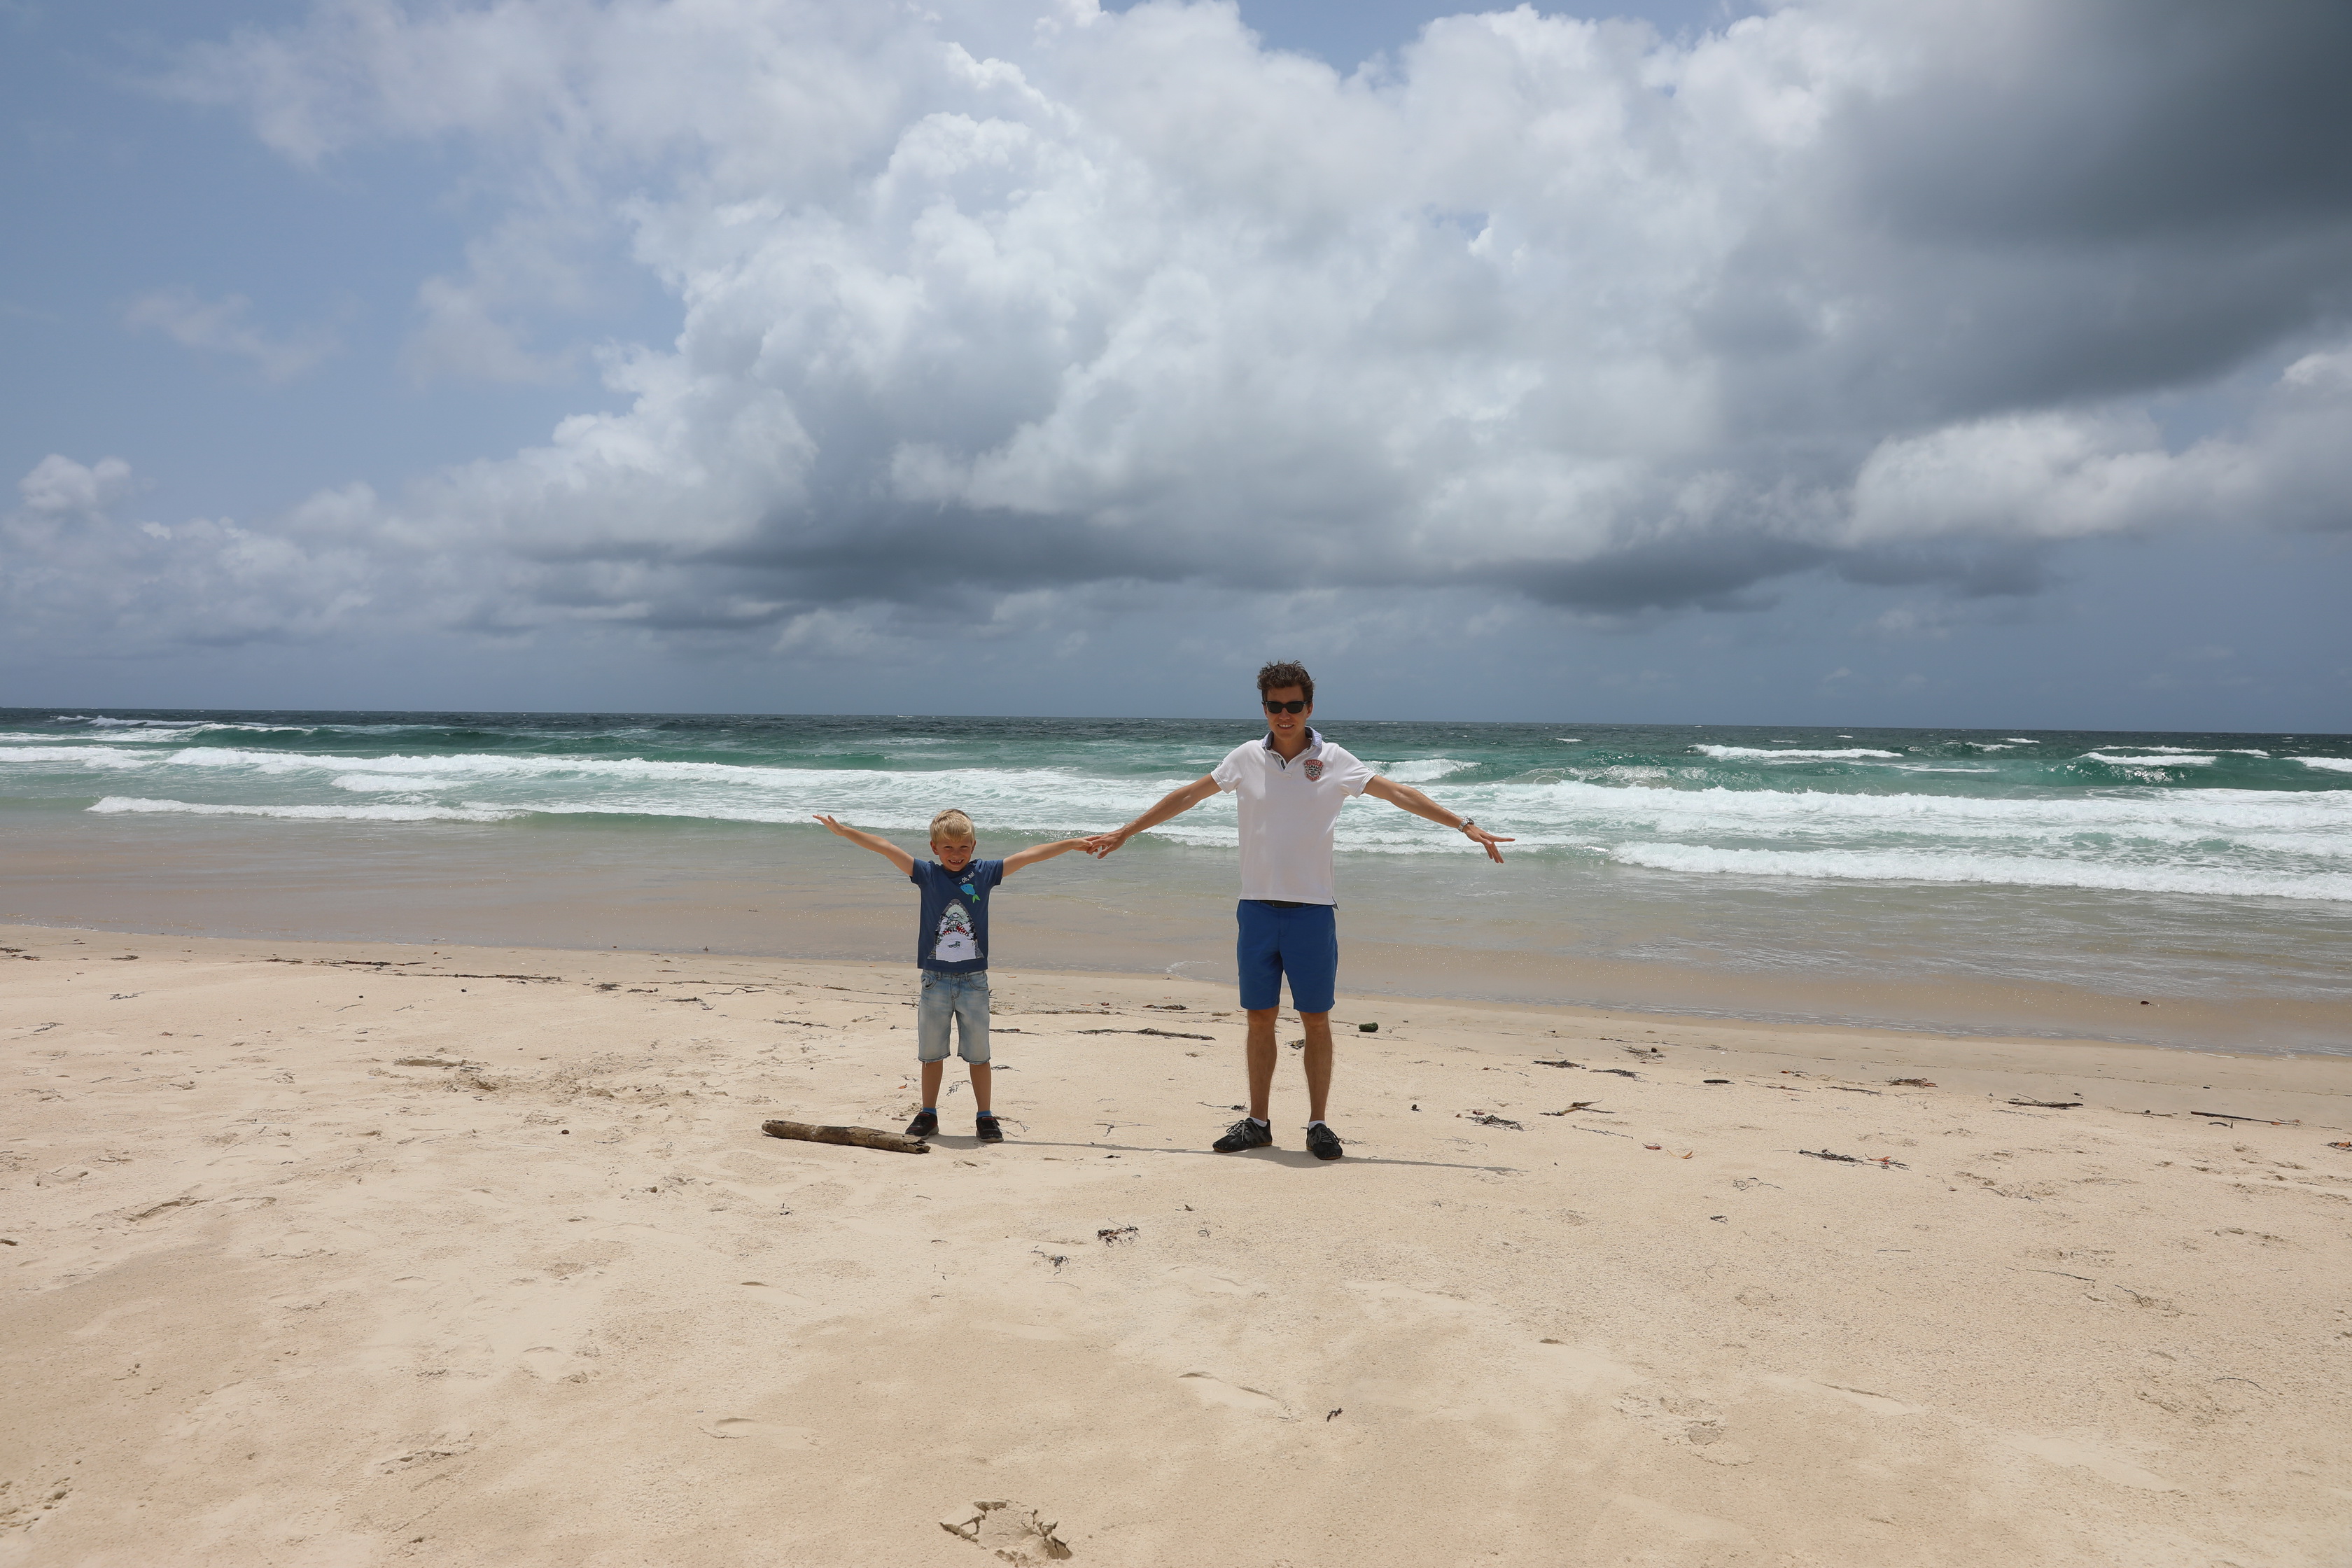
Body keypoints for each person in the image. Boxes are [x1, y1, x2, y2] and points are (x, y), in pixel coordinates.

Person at [1086, 662, 1510, 1160]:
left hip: (1312, 910)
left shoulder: (1334, 760)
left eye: (1293, 706)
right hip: (1257, 909)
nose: (1284, 715)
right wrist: (1125, 831)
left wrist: (1465, 824)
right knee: (1260, 1017)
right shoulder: (1245, 758)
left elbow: (1398, 793)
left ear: (1310, 707)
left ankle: (1318, 1125)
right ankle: (1258, 1122)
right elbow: (1187, 796)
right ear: (1264, 708)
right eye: (1274, 706)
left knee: (1315, 1019)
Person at [813, 807, 1092, 1143]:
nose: (956, 855)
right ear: (934, 848)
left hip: (974, 980)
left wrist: (1073, 843)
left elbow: (1030, 855)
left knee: (979, 1054)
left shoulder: (986, 873)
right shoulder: (927, 874)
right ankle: (928, 1113)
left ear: (973, 846)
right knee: (931, 1054)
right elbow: (885, 847)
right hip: (935, 980)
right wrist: (845, 832)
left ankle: (985, 1116)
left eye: (963, 848)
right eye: (948, 848)